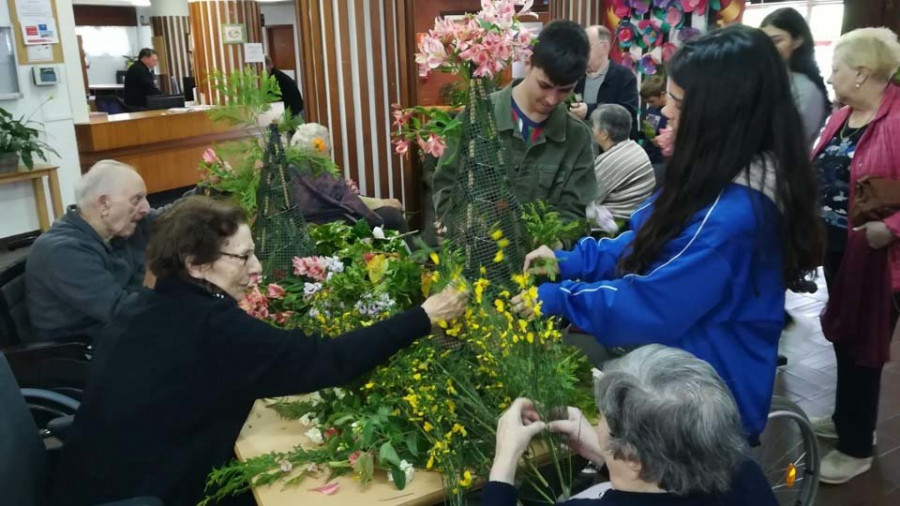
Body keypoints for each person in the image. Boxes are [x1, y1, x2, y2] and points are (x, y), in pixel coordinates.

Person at [49, 196, 467, 506]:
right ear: (197, 264)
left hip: (91, 481)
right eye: (244, 256)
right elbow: (327, 360)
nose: (257, 269)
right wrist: (424, 316)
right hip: (156, 491)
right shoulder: (212, 327)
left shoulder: (146, 303)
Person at [512, 25, 824, 439]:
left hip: (703, 401)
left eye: (676, 101)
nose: (667, 113)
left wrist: (561, 298)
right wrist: (570, 260)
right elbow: (646, 236)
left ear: (717, 113)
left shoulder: (735, 215)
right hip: (677, 369)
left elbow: (654, 304)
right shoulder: (716, 171)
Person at [484, 345, 777, 505]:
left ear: (634, 458)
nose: (597, 425)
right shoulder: (746, 476)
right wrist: (606, 456)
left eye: (603, 420)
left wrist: (503, 463)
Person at [807, 27, 900, 485]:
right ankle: (849, 417)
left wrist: (891, 228)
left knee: (863, 345)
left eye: (838, 67)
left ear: (862, 73)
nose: (830, 74)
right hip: (842, 246)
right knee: (845, 336)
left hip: (883, 258)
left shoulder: (898, 119)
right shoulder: (841, 115)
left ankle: (857, 446)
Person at [432, 20, 595, 224]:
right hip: (473, 250)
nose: (552, 99)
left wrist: (557, 242)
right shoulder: (477, 117)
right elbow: (446, 184)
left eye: (565, 89)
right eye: (545, 85)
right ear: (527, 62)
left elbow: (576, 211)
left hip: (544, 253)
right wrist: (458, 230)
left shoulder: (576, 137)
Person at [26, 160, 153, 342]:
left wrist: (206, 190)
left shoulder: (120, 226)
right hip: (80, 352)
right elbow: (121, 312)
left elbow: (175, 217)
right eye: (137, 199)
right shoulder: (64, 251)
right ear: (103, 205)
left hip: (115, 333)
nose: (146, 208)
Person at [761, 8, 831, 147]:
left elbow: (790, 140)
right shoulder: (763, 80)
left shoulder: (806, 89)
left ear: (798, 41)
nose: (768, 48)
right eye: (764, 42)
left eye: (777, 41)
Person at [571, 25, 639, 142]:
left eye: (586, 47)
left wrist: (590, 110)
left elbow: (627, 113)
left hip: (613, 151)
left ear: (604, 47)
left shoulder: (624, 76)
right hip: (582, 148)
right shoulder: (577, 77)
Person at [587, 104, 654, 222]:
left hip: (614, 226)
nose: (591, 129)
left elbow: (586, 200)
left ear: (604, 133)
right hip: (638, 218)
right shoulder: (635, 148)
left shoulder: (610, 162)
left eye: (593, 126)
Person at [638, 75, 668, 182]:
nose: (650, 104)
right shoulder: (651, 111)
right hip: (649, 157)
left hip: (664, 161)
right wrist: (651, 138)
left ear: (662, 95)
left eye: (652, 101)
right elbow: (649, 133)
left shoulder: (672, 113)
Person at [266, 55, 304, 119]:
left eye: (265, 66)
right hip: (294, 109)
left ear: (271, 65)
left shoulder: (275, 78)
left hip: (293, 111)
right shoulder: (277, 75)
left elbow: (273, 99)